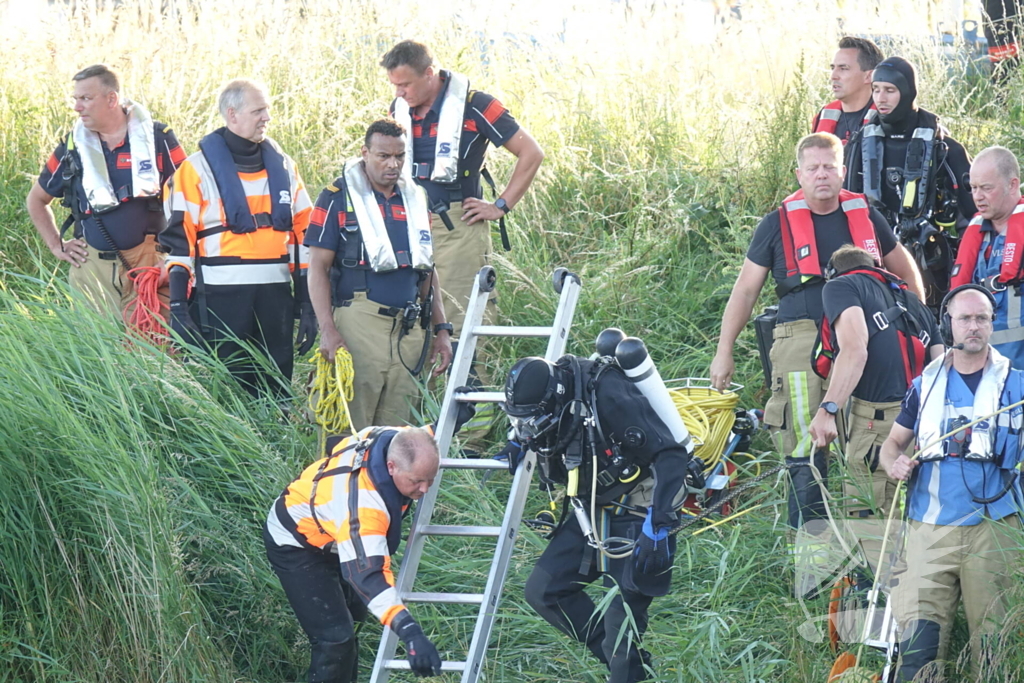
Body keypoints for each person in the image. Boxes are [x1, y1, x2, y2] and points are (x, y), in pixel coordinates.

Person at [710, 132, 923, 561]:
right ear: (799, 175)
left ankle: (870, 556)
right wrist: (724, 349)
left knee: (866, 440)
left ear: (843, 171)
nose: (822, 175)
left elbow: (905, 274)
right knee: (806, 445)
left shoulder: (866, 216)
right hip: (801, 338)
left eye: (829, 166)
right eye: (813, 168)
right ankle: (813, 557)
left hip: (867, 339)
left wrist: (919, 327)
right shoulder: (776, 225)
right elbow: (746, 291)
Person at [380, 40, 545, 448]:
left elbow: (531, 152)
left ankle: (473, 433)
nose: (399, 93)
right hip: (410, 229)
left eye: (405, 84)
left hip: (459, 228)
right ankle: (426, 425)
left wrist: (500, 205)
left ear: (429, 73)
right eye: (394, 86)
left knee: (465, 323)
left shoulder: (476, 104)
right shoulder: (399, 108)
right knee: (415, 322)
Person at [502, 335, 695, 683]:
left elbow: (671, 455)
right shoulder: (550, 400)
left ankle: (625, 667)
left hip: (643, 506)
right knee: (544, 592)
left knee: (621, 627)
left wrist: (660, 524)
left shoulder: (608, 395)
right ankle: (626, 667)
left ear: (553, 401)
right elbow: (526, 424)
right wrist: (514, 442)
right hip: (593, 504)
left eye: (531, 420)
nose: (527, 427)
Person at [880, 284, 1023, 682]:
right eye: (965, 318)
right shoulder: (923, 387)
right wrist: (895, 464)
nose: (973, 327)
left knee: (998, 645)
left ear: (992, 324)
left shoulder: (1018, 387)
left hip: (994, 530)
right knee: (917, 648)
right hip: (930, 526)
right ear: (949, 325)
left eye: (982, 318)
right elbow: (891, 445)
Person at [159, 79, 315, 398]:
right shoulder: (195, 170)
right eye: (258, 111)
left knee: (277, 390)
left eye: (267, 110)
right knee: (229, 392)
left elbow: (304, 236)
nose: (266, 118)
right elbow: (179, 243)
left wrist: (307, 303)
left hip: (275, 297)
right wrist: (177, 307)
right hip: (220, 297)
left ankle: (277, 445)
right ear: (232, 115)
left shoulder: (284, 166)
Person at [263, 426, 445, 683]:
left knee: (354, 623)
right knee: (336, 638)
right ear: (391, 467)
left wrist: (449, 422)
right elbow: (369, 578)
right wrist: (410, 633)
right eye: (416, 481)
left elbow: (418, 438)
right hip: (296, 542)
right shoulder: (364, 509)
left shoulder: (390, 437)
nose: (425, 489)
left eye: (431, 479)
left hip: (335, 530)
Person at [305, 118, 453, 430]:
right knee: (348, 429)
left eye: (400, 156)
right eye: (383, 156)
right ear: (365, 153)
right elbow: (317, 267)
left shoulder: (415, 197)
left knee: (401, 434)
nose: (393, 164)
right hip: (360, 323)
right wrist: (327, 329)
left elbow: (427, 268)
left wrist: (441, 329)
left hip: (410, 328)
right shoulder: (337, 196)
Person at [808, 245, 943, 578]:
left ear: (833, 272)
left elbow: (854, 351)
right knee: (921, 514)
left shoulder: (841, 286)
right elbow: (940, 366)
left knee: (868, 516)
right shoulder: (914, 302)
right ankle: (926, 593)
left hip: (877, 424)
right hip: (925, 422)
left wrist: (828, 409)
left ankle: (884, 603)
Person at [26, 64, 185, 319]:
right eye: (76, 99)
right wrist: (57, 245)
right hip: (91, 268)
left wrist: (178, 256)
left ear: (112, 99)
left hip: (149, 265)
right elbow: (36, 199)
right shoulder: (72, 145)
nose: (78, 107)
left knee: (154, 351)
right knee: (97, 353)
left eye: (86, 98)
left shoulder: (157, 138)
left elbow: (192, 199)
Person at [846, 56, 976, 308]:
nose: (881, 98)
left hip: (932, 262)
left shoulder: (943, 148)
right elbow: (847, 204)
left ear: (907, 92)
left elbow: (974, 216)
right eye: (876, 89)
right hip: (877, 259)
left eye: (890, 90)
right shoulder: (861, 146)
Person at [950, 146, 1024, 369]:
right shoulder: (976, 233)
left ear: (1012, 184)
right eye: (973, 188)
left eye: (986, 188)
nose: (977, 197)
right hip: (981, 369)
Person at [812, 36, 884, 166]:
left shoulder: (886, 118)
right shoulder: (823, 115)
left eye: (843, 68)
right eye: (833, 68)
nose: (833, 76)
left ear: (869, 76)